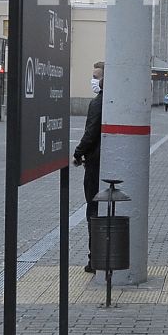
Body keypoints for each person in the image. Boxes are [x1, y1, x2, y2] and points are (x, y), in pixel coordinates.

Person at [72, 62, 103, 273]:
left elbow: (91, 133)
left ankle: (95, 258)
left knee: (93, 208)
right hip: (106, 160)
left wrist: (78, 153)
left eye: (96, 76)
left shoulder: (98, 103)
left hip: (95, 162)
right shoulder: (112, 101)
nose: (93, 80)